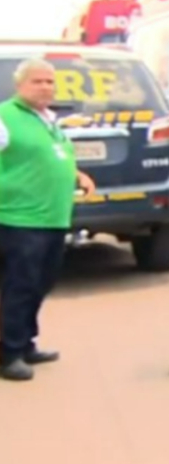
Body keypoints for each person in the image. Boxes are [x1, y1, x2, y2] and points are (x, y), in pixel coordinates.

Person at [0, 59, 96, 381]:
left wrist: (77, 174)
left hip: (53, 218)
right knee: (19, 286)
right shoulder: (6, 117)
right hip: (19, 218)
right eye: (37, 81)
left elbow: (53, 157)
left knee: (41, 283)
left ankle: (25, 342)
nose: (45, 87)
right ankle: (8, 352)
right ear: (20, 85)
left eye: (49, 82)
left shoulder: (49, 120)